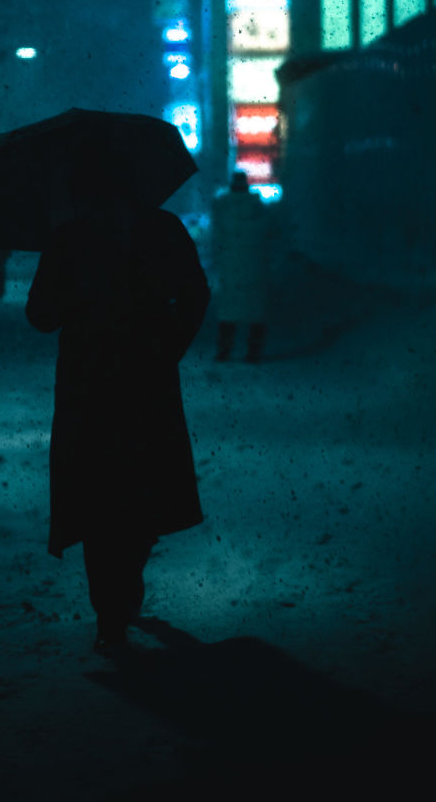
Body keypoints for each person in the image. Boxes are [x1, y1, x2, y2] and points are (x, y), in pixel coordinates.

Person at [26, 181, 210, 655]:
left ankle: (110, 609)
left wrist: (75, 293)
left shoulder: (69, 236)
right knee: (143, 483)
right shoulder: (162, 228)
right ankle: (124, 587)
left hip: (87, 381)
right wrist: (169, 345)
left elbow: (40, 315)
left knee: (95, 492)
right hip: (147, 378)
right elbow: (196, 294)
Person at [211, 170, 274, 363]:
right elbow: (271, 237)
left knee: (228, 311)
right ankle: (253, 353)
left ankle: (224, 351)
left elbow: (216, 240)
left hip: (230, 268)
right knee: (256, 312)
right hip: (255, 268)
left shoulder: (221, 208)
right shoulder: (259, 209)